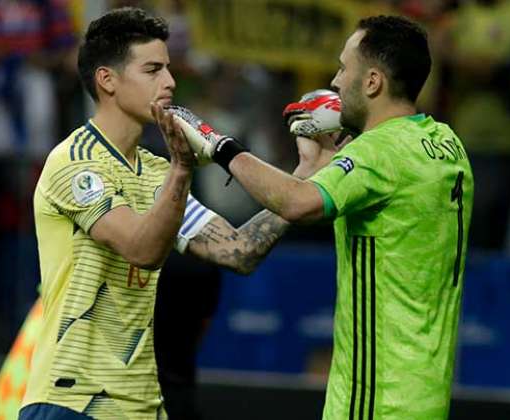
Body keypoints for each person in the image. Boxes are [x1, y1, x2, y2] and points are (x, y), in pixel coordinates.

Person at [19, 7, 338, 420]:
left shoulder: (155, 172)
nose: (170, 82)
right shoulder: (76, 162)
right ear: (107, 80)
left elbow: (238, 251)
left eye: (167, 68)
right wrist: (183, 169)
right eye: (152, 70)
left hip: (144, 407)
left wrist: (305, 176)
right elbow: (142, 248)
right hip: (73, 402)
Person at [175, 15, 474, 420]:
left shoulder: (379, 153)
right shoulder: (445, 143)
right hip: (424, 395)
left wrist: (219, 146)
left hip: (375, 400)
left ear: (372, 82)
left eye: (342, 67)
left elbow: (298, 203)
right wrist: (320, 165)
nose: (334, 81)